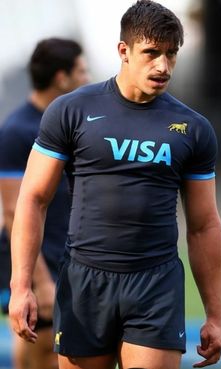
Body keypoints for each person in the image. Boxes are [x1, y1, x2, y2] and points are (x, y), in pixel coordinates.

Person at [9, 2, 221, 369]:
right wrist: (22, 285)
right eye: (152, 53)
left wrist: (215, 315)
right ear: (123, 51)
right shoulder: (71, 111)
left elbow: (204, 225)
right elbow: (33, 198)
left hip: (155, 284)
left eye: (171, 54)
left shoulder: (193, 128)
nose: (163, 66)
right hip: (85, 280)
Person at [0, 37, 90, 369]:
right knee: (43, 353)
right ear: (61, 78)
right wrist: (39, 281)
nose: (87, 77)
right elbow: (12, 211)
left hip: (70, 254)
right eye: (81, 71)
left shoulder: (73, 122)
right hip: (42, 260)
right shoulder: (17, 130)